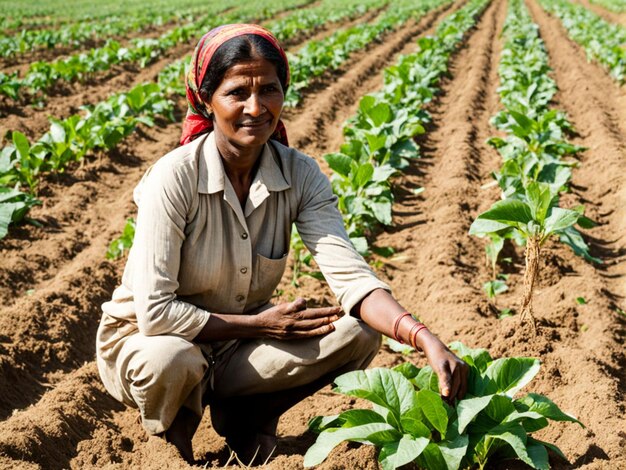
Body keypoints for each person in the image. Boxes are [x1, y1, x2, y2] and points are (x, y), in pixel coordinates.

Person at [95, 24, 468, 465]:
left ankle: (245, 415)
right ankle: (172, 446)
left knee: (360, 330)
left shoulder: (299, 174)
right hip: (150, 341)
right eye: (237, 93)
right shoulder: (174, 178)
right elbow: (155, 314)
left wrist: (423, 338)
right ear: (206, 100)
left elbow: (351, 277)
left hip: (231, 348)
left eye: (269, 89)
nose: (256, 107)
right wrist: (259, 326)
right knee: (172, 359)